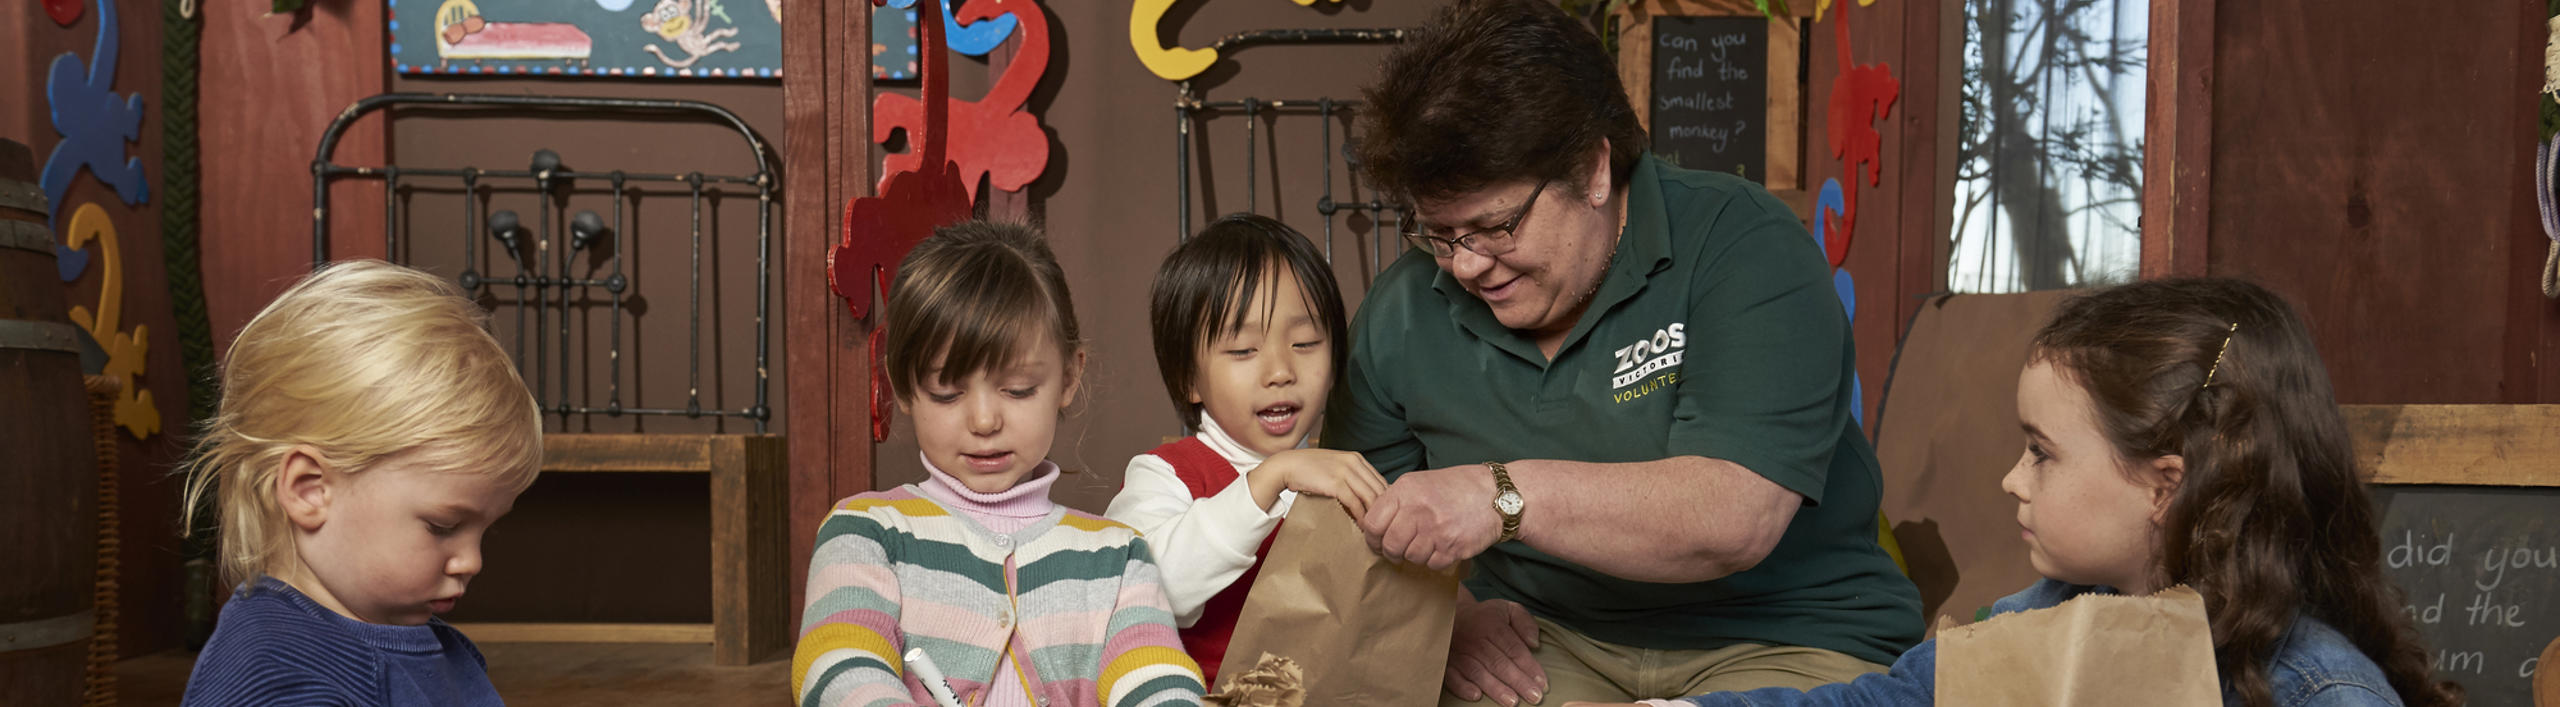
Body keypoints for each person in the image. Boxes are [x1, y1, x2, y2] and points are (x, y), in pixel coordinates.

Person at [1328, 0, 1921, 703]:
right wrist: (1449, 619)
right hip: (1546, 639)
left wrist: (1499, 495)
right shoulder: (1404, 308)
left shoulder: (1745, 246)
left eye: (1495, 226)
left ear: (1594, 169)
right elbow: (1352, 523)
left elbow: (1734, 519)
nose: (1465, 266)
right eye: (1439, 233)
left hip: (1784, 633)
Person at [1572, 278, 2464, 707]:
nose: (2011, 478)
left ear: (2165, 486)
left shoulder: (2322, 693)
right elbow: (1881, 705)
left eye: (2041, 452)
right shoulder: (2043, 617)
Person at [792, 221, 1206, 707]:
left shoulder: (1116, 558)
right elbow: (839, 665)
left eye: (1017, 390)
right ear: (902, 387)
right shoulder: (865, 533)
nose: (984, 420)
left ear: (1069, 377)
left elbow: (1157, 678)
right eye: (947, 392)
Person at [179, 260, 543, 706]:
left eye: (484, 530)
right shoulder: (274, 676)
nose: (471, 561)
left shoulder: (419, 638)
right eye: (443, 526)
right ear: (309, 489)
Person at [1105, 213, 1389, 685]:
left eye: (1305, 343)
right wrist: (1269, 479)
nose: (1279, 370)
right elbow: (1146, 590)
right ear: (1187, 378)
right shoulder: (1164, 475)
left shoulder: (1343, 474)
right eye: (1243, 350)